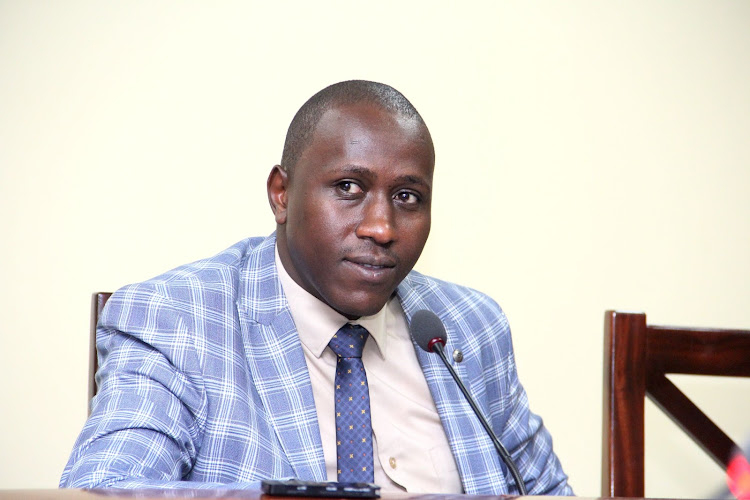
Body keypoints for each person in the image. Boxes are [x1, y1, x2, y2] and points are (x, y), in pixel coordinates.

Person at [60, 80, 573, 495]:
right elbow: (108, 490)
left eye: (408, 196)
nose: (381, 226)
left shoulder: (468, 328)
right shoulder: (176, 318)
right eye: (348, 188)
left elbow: (549, 492)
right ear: (281, 195)